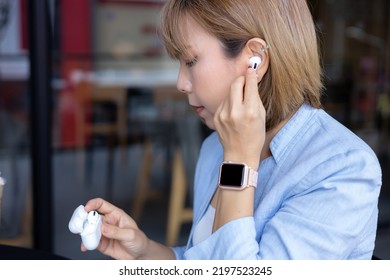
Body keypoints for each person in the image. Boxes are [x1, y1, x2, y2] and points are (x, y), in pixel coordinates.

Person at [82, 0, 382, 259]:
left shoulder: (342, 168)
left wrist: (238, 161)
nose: (180, 83)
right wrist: (146, 252)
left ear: (255, 59)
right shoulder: (214, 146)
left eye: (190, 61)